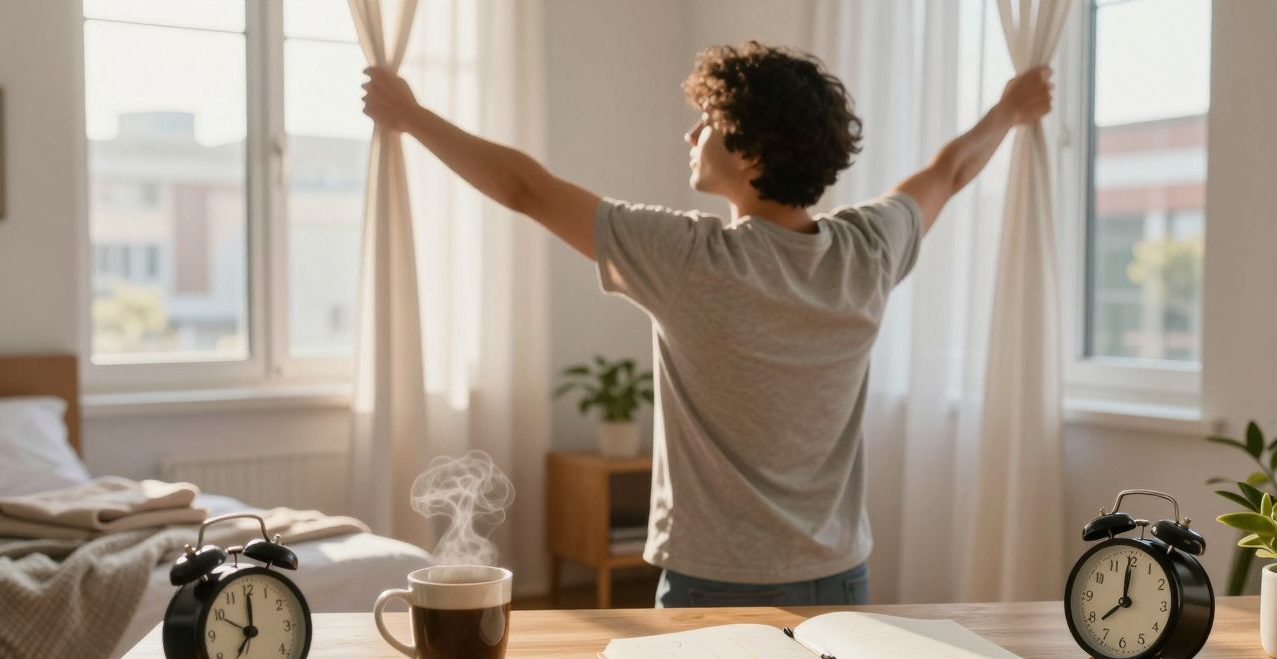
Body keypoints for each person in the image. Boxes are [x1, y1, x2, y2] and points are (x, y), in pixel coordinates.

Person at [362, 41, 1053, 608]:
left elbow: (528, 190)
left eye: (708, 122)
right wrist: (1007, 110)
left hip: (718, 585)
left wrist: (414, 117)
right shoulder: (868, 249)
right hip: (841, 577)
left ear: (750, 155)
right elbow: (951, 171)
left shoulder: (690, 260)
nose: (690, 134)